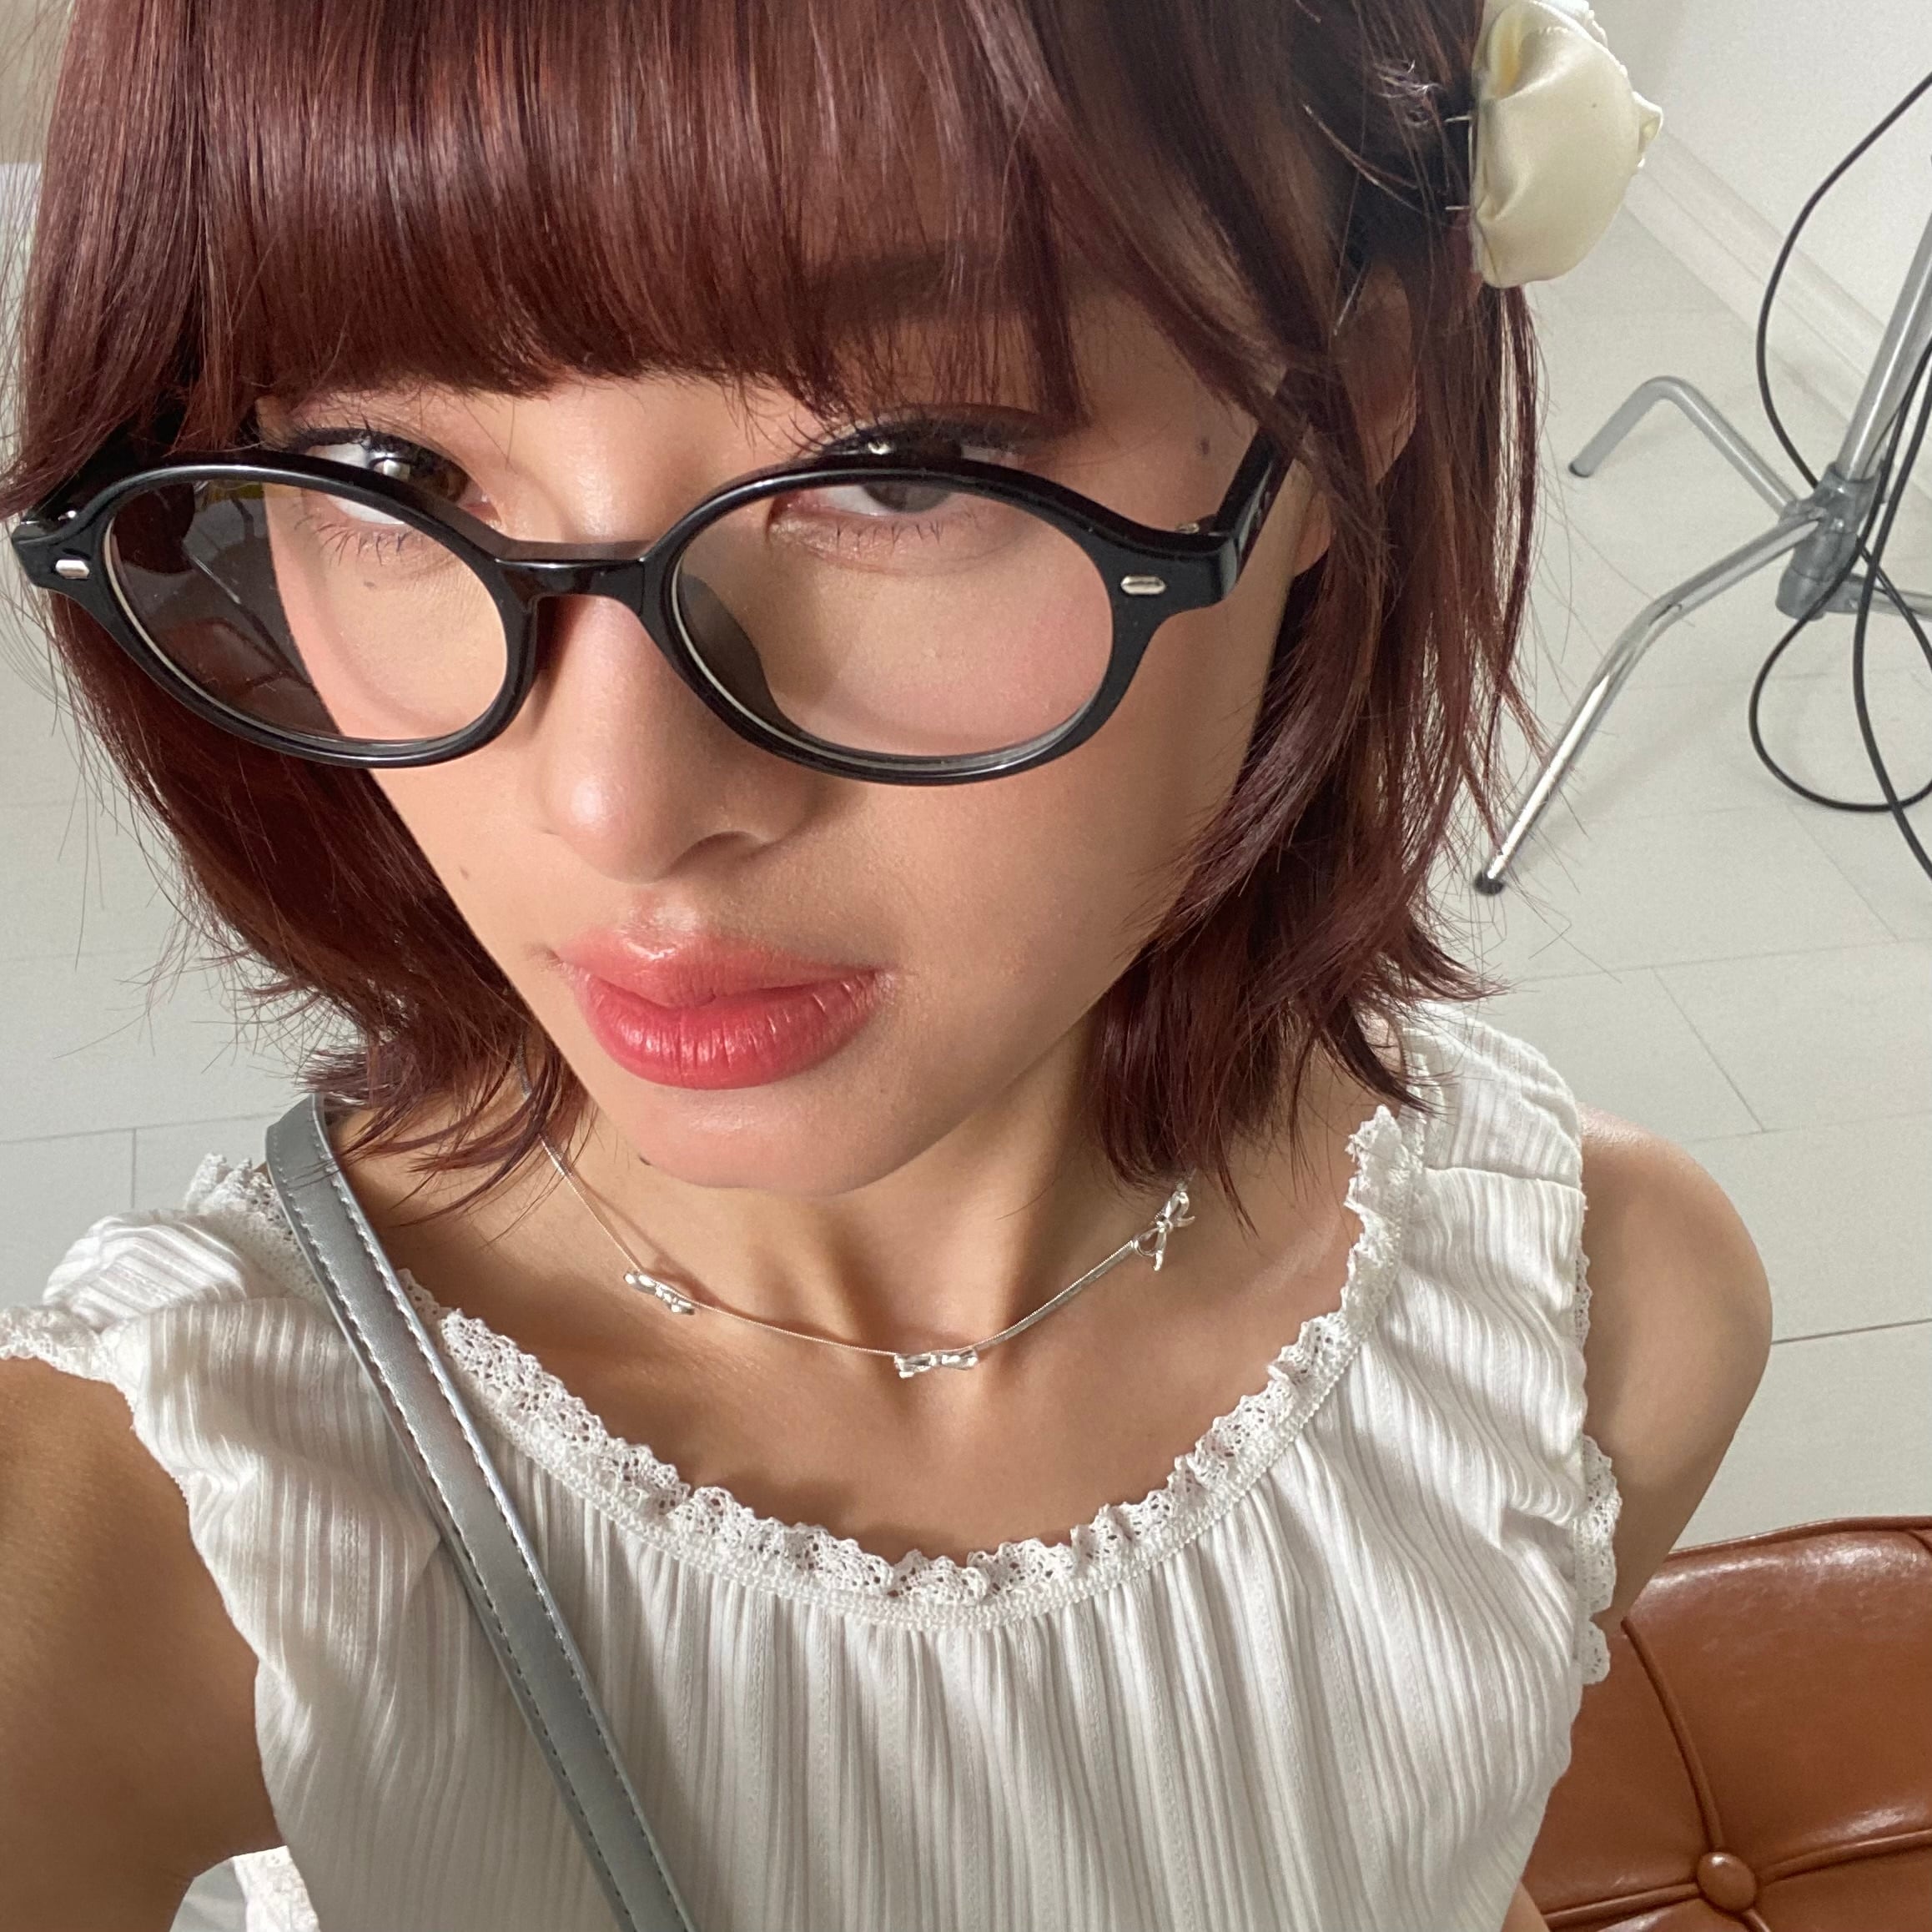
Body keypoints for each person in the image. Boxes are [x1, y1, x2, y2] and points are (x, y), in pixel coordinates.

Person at [0, 2, 1768, 1928]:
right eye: (390, 475)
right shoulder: (174, 1510)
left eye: (907, 466)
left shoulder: (1592, 1330)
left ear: (1357, 391)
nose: (615, 805)